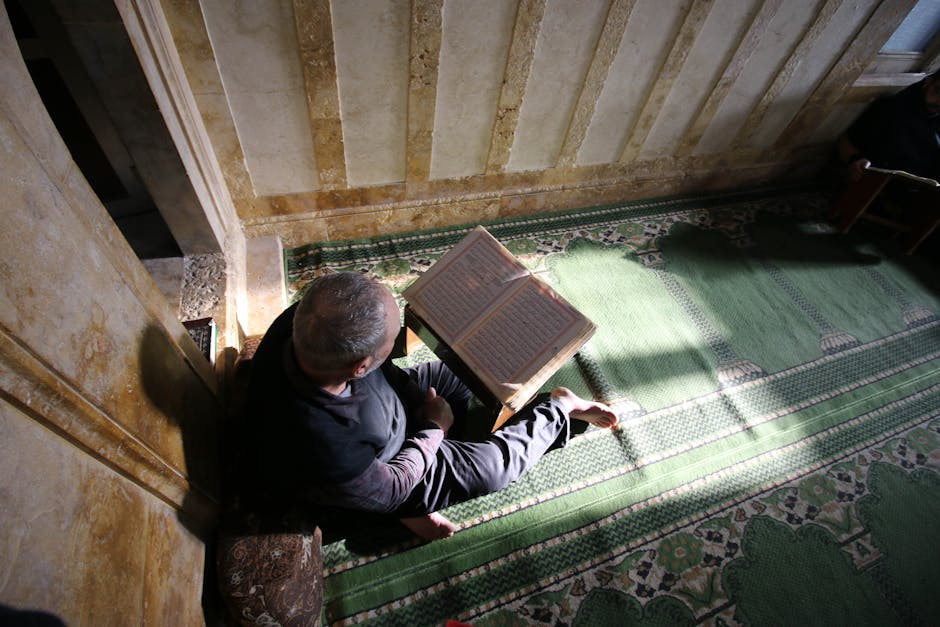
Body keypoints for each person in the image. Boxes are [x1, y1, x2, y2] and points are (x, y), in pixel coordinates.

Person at [239, 271, 617, 541]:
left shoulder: (307, 319)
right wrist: (434, 429)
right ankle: (558, 409)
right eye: (389, 341)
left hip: (387, 405)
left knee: (471, 371)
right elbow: (391, 489)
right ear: (360, 365)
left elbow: (384, 371)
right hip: (392, 464)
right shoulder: (325, 445)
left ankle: (437, 445)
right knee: (493, 470)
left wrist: (416, 395)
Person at [837, 72, 940, 183]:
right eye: (938, 92)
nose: (939, 102)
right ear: (928, 83)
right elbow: (847, 141)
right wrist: (856, 160)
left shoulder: (936, 121)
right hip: (877, 184)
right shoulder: (891, 108)